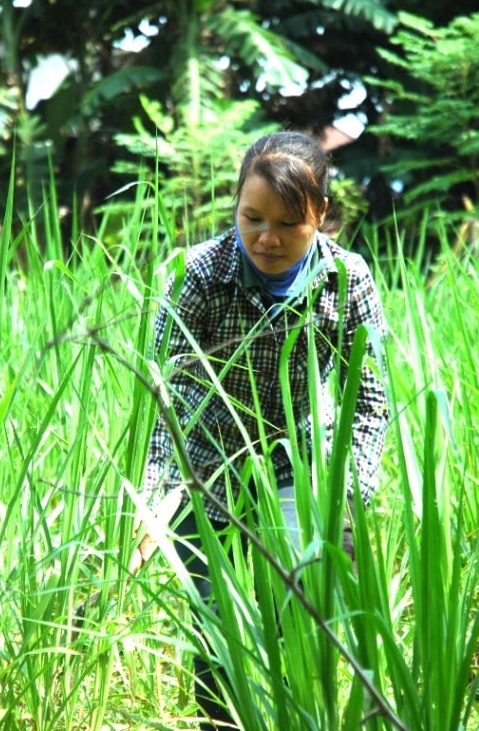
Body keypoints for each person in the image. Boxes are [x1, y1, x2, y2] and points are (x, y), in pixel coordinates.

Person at [141, 131, 390, 729]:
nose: (268, 239)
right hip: (208, 465)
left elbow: (371, 401)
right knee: (216, 634)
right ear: (235, 206)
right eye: (251, 218)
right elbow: (165, 401)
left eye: (289, 223)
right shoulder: (196, 275)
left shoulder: (346, 279)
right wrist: (155, 500)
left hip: (301, 463)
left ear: (321, 216)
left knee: (304, 623)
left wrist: (345, 490)